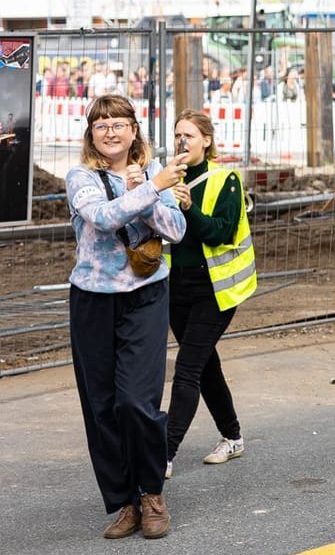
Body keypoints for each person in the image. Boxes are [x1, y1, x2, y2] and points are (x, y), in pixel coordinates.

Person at [67, 95, 190, 540]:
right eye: (101, 125)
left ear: (134, 130)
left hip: (145, 296)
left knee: (137, 402)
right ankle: (124, 503)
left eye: (119, 123)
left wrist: (151, 187)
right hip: (93, 301)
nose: (111, 131)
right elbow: (101, 218)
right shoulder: (80, 177)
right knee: (101, 407)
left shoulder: (152, 173)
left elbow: (175, 230)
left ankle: (152, 494)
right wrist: (153, 187)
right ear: (91, 135)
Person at [163, 111, 255, 480]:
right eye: (176, 135)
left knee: (186, 368)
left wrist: (189, 209)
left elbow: (221, 232)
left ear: (206, 140)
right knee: (204, 366)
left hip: (215, 289)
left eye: (188, 135)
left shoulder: (225, 179)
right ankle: (232, 436)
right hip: (176, 286)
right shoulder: (169, 178)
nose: (181, 141)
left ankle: (163, 454)